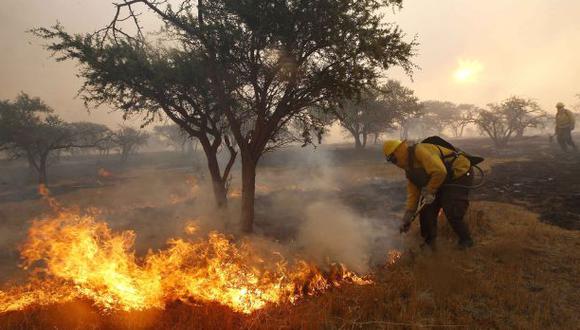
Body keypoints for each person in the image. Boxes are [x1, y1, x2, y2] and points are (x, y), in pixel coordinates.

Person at [383, 138, 475, 249]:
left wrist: (429, 191)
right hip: (442, 179)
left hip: (459, 172)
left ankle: (466, 241)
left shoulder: (419, 151)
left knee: (451, 206)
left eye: (393, 158)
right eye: (391, 160)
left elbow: (439, 171)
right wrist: (408, 216)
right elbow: (413, 195)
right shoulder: (409, 170)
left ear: (398, 151)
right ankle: (429, 244)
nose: (394, 162)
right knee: (426, 210)